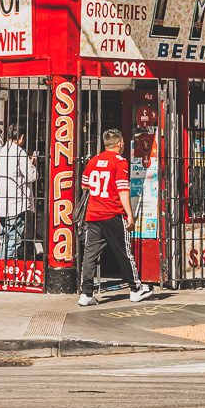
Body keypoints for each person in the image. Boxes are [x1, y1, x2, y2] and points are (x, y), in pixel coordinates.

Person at [78, 128, 152, 306]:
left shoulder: (93, 161)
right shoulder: (120, 162)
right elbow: (122, 190)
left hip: (93, 214)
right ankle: (135, 288)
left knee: (90, 254)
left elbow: (84, 186)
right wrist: (129, 214)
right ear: (119, 144)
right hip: (112, 213)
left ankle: (86, 294)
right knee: (124, 252)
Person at [0, 123, 37, 260]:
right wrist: (32, 164)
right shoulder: (19, 153)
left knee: (4, 239)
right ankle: (7, 272)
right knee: (13, 240)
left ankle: (1, 270)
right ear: (22, 137)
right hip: (16, 202)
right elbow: (32, 176)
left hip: (2, 202)